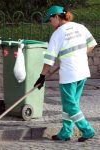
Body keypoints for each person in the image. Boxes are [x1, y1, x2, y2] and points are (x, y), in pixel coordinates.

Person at [34, 5, 97, 142]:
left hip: (69, 74)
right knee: (71, 104)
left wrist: (42, 76)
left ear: (56, 17)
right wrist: (79, 54)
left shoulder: (58, 34)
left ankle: (87, 129)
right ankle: (65, 132)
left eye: (50, 20)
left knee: (69, 105)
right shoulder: (80, 27)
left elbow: (49, 59)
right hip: (82, 71)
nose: (50, 24)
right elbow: (92, 44)